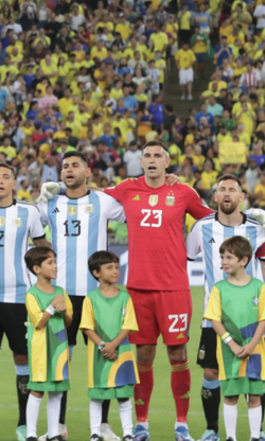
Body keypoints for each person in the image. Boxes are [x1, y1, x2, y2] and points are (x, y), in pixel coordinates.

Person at [43, 140, 212, 441]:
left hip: (174, 287)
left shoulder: (183, 192)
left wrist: (194, 248)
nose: (151, 159)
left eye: (157, 155)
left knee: (177, 352)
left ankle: (182, 424)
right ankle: (141, 423)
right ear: (141, 161)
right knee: (141, 354)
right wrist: (57, 188)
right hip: (137, 289)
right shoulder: (125, 190)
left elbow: (210, 221)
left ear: (167, 161)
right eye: (146, 155)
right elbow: (85, 196)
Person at [36, 152, 125, 441]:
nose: (68, 170)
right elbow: (25, 219)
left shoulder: (103, 201)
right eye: (64, 167)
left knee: (105, 356)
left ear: (88, 171)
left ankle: (103, 425)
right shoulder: (50, 200)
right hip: (61, 295)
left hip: (96, 296)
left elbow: (133, 206)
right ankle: (59, 425)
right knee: (61, 359)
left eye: (75, 165)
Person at [0, 163, 51, 441]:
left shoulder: (28, 212)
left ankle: (24, 424)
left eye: (6, 177)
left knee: (22, 357)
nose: (0, 181)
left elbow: (43, 248)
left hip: (20, 298)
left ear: (15, 183)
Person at [186, 175, 265, 441]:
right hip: (214, 316)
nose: (227, 193)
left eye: (233, 189)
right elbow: (187, 256)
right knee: (211, 371)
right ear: (216, 197)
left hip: (252, 316)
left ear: (242, 197)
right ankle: (212, 430)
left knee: (255, 374)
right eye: (222, 189)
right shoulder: (202, 227)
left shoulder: (258, 227)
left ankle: (258, 432)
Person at [203, 236, 265, 441]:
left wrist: (252, 344)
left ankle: (255, 436)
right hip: (229, 352)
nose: (223, 261)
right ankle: (231, 437)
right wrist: (231, 343)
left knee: (254, 395)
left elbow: (263, 319)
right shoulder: (219, 288)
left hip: (255, 350)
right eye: (222, 257)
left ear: (244, 260)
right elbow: (215, 319)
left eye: (229, 257)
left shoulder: (259, 286)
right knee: (230, 395)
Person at [80, 251, 139, 441]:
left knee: (123, 395)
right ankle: (95, 432)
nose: (115, 271)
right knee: (97, 394)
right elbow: (87, 327)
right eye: (109, 267)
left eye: (116, 266)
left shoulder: (125, 298)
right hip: (100, 354)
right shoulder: (90, 299)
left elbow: (128, 326)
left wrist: (112, 345)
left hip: (122, 353)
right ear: (96, 273)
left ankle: (128, 432)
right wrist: (104, 346)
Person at [23, 246, 72, 441]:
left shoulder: (61, 291)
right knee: (37, 389)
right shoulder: (32, 294)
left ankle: (53, 434)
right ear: (36, 269)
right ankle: (31, 434)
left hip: (59, 346)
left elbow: (68, 321)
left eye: (55, 262)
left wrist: (64, 312)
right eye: (50, 263)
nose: (55, 266)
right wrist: (53, 307)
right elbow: (39, 322)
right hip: (41, 348)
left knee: (57, 389)